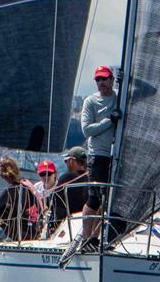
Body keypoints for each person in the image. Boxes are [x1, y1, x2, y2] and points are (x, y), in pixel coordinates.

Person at [78, 67, 121, 247]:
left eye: (104, 79)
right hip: (97, 155)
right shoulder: (91, 101)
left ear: (112, 80)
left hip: (116, 156)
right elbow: (87, 130)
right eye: (98, 80)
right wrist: (109, 120)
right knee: (94, 198)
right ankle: (86, 238)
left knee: (108, 198)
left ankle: (95, 239)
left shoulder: (121, 97)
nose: (101, 83)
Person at [49, 145, 89, 233]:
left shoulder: (66, 178)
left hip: (66, 225)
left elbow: (54, 199)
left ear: (71, 161)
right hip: (85, 224)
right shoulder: (90, 179)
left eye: (66, 161)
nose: (66, 163)